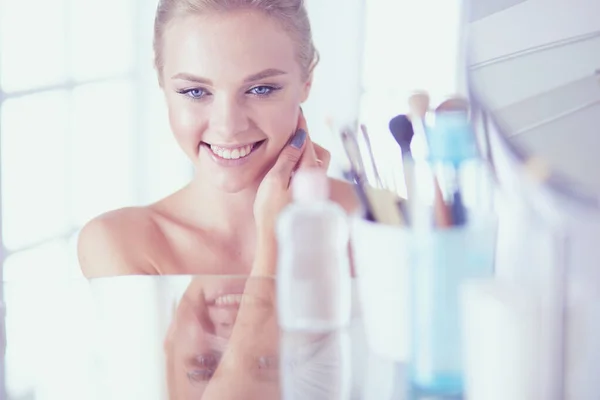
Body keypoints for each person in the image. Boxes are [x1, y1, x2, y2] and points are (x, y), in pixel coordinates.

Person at [77, 0, 358, 277]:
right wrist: (275, 238)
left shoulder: (378, 224)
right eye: (196, 92)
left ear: (306, 81)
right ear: (161, 81)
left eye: (260, 89)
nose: (228, 127)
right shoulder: (120, 244)